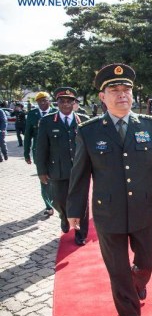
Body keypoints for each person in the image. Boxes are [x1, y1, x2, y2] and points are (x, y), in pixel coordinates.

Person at [66, 63, 152, 316]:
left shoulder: (151, 125)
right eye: (114, 90)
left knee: (149, 259)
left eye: (126, 89)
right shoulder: (89, 131)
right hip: (108, 212)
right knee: (117, 270)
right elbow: (80, 174)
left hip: (144, 208)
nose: (122, 94)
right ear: (102, 96)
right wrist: (74, 211)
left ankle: (139, 280)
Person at [35, 87, 89, 245]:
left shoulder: (84, 120)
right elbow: (41, 148)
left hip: (80, 170)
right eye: (62, 101)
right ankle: (64, 217)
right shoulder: (47, 121)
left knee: (81, 203)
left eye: (69, 101)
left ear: (74, 103)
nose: (66, 104)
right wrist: (41, 170)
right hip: (57, 169)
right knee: (59, 200)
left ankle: (80, 233)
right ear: (56, 103)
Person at [24, 92, 57, 216]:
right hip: (39, 153)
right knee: (44, 179)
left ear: (49, 101)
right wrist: (26, 154)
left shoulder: (56, 112)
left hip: (56, 152)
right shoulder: (32, 115)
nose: (43, 103)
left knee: (56, 179)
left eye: (45, 100)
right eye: (40, 101)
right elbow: (27, 136)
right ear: (37, 103)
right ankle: (48, 206)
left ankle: (56, 201)